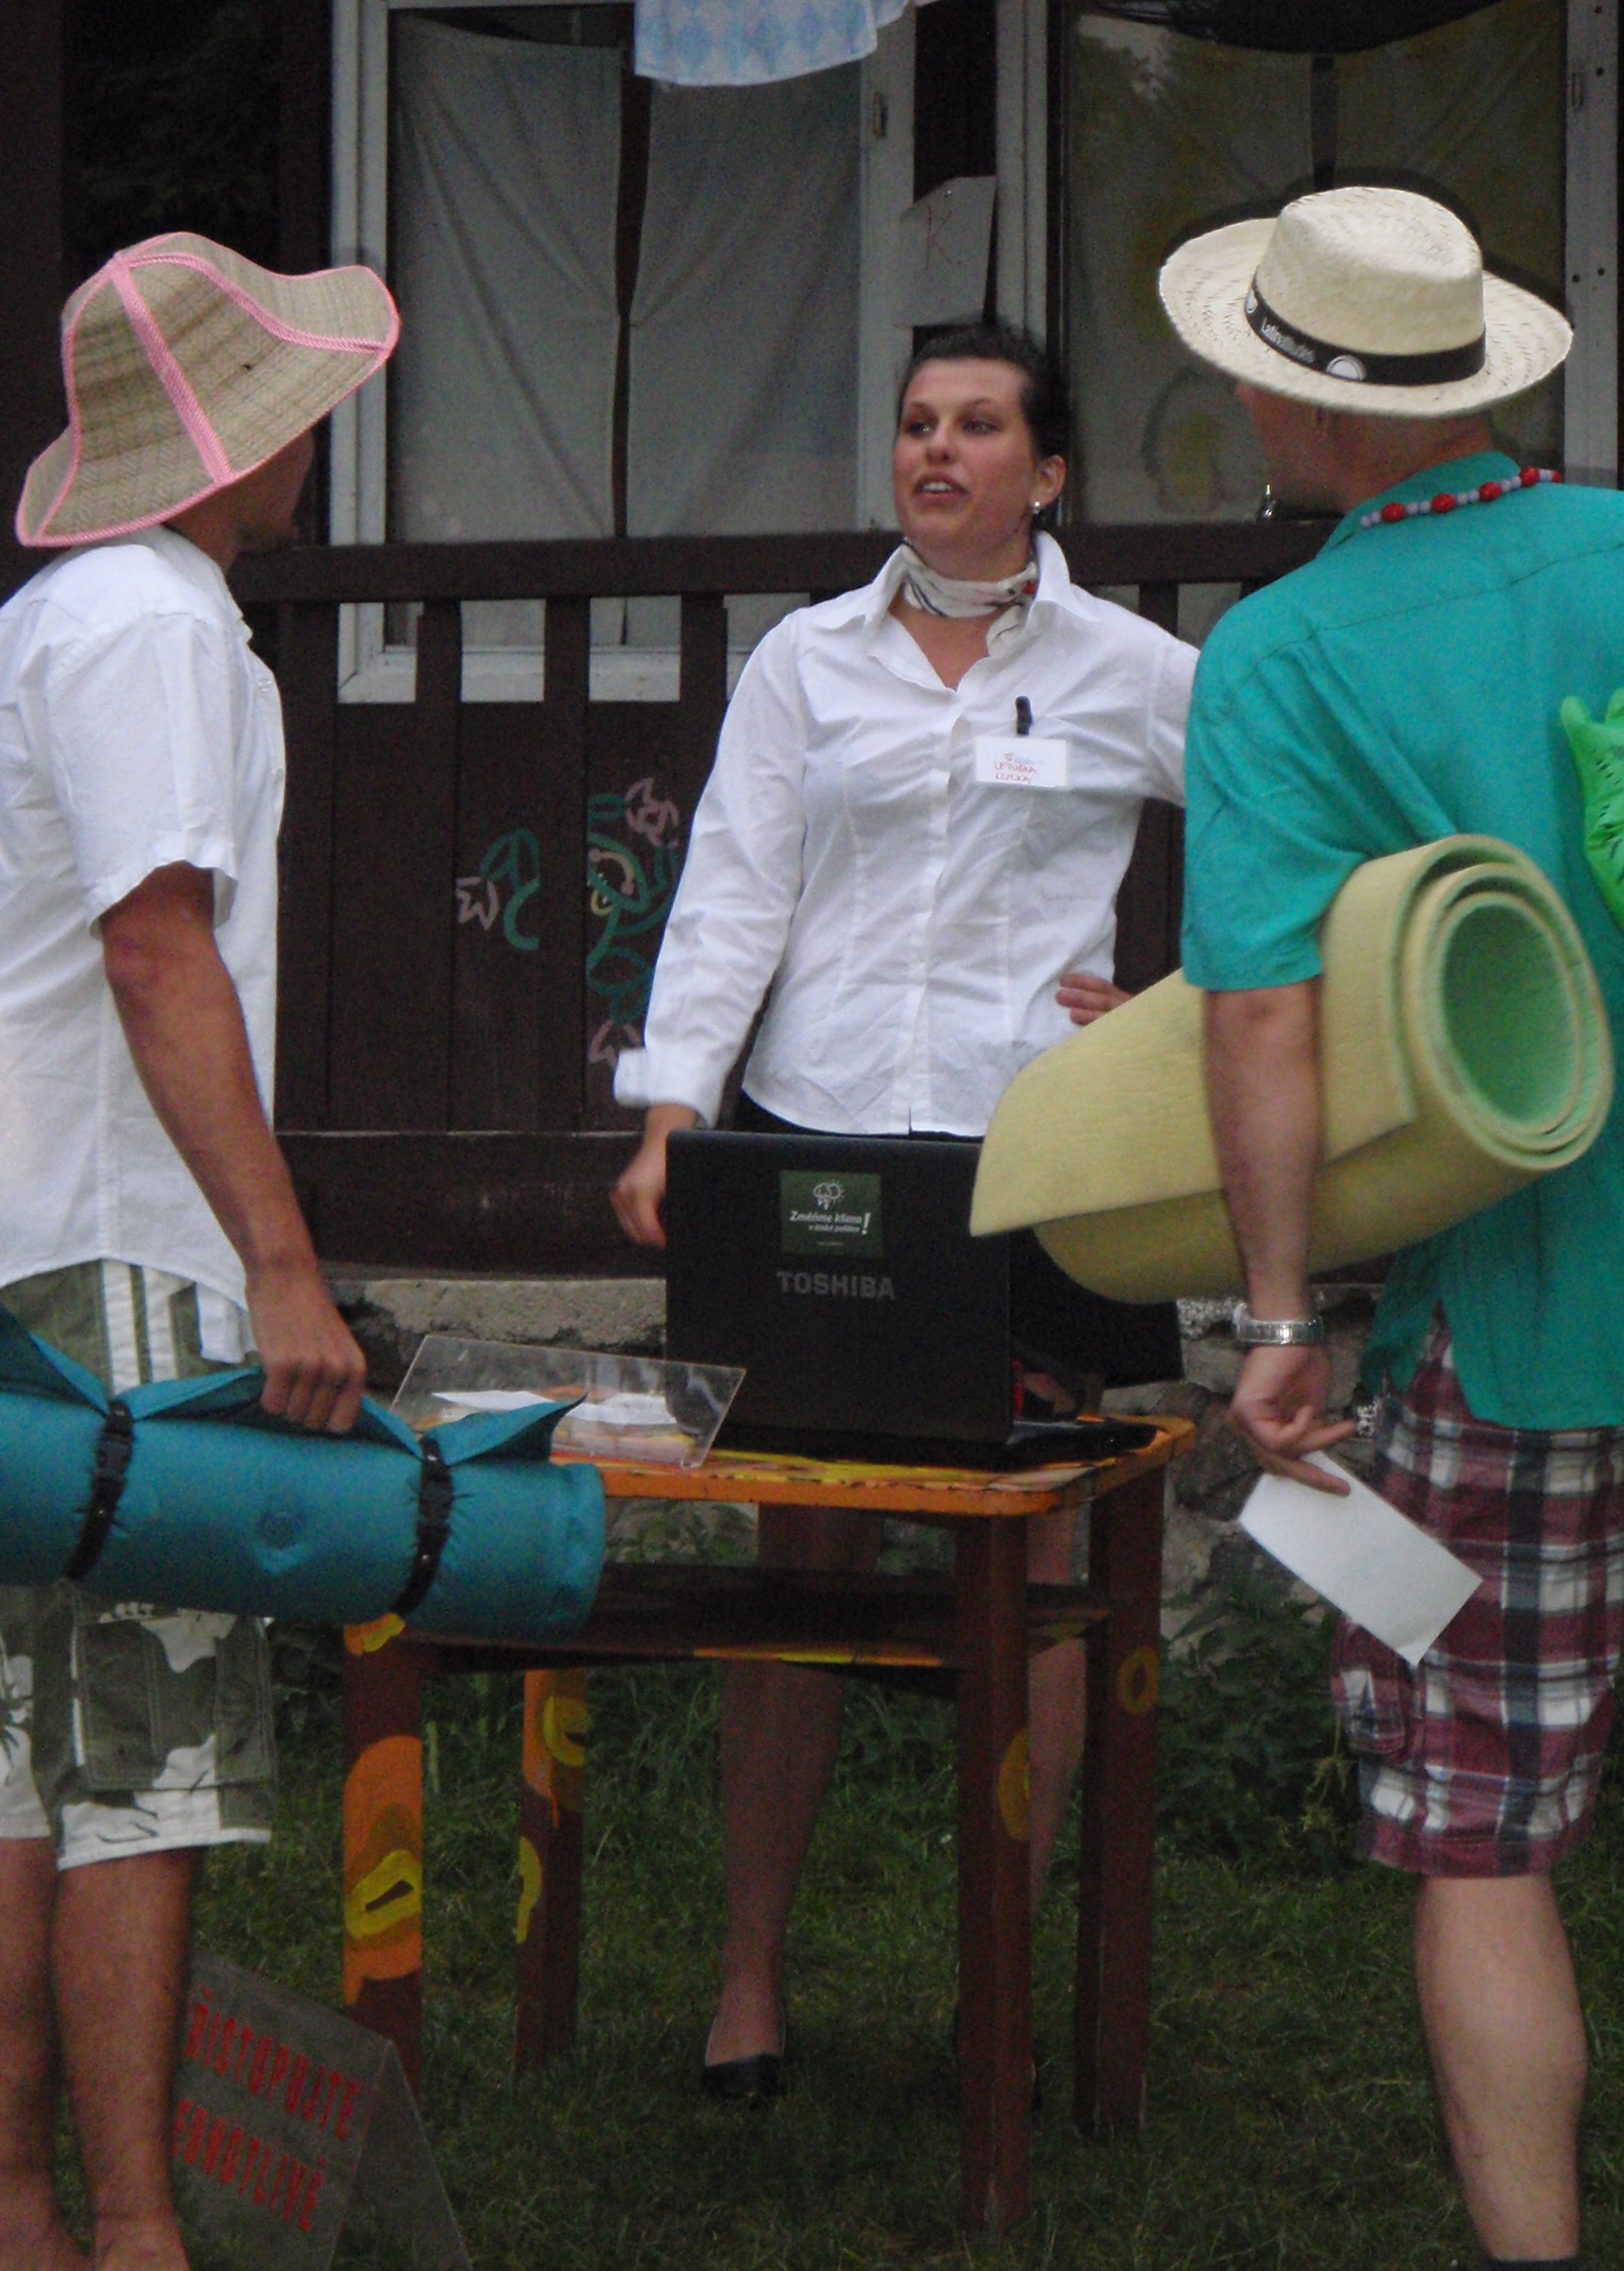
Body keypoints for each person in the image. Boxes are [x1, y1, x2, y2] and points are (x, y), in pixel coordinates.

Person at [611, 323, 1196, 2098]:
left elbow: (1291, 818)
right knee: (803, 1545)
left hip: (1041, 1157)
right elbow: (733, 887)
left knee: (1039, 1558)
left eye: (979, 424)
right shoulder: (807, 659)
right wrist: (673, 1120)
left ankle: (994, 1985)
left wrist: (1184, 1004)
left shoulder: (1131, 667)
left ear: (1050, 471)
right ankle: (748, 1979)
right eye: (917, 422)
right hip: (824, 1144)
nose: (937, 449)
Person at [0, 233, 397, 2271]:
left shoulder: (52, 618)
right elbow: (153, 941)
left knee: (21, 1764)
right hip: (110, 1246)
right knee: (147, 1764)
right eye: (294, 407)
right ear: (238, 442)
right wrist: (277, 1258)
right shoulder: (156, 623)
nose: (316, 437)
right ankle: (133, 2227)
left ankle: (6, 2207)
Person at [1161, 184, 1615, 2271]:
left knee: (1485, 1830)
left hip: (1508, 1321)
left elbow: (1261, 1016)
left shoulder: (1279, 655)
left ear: (1311, 407)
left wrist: (1276, 1316)